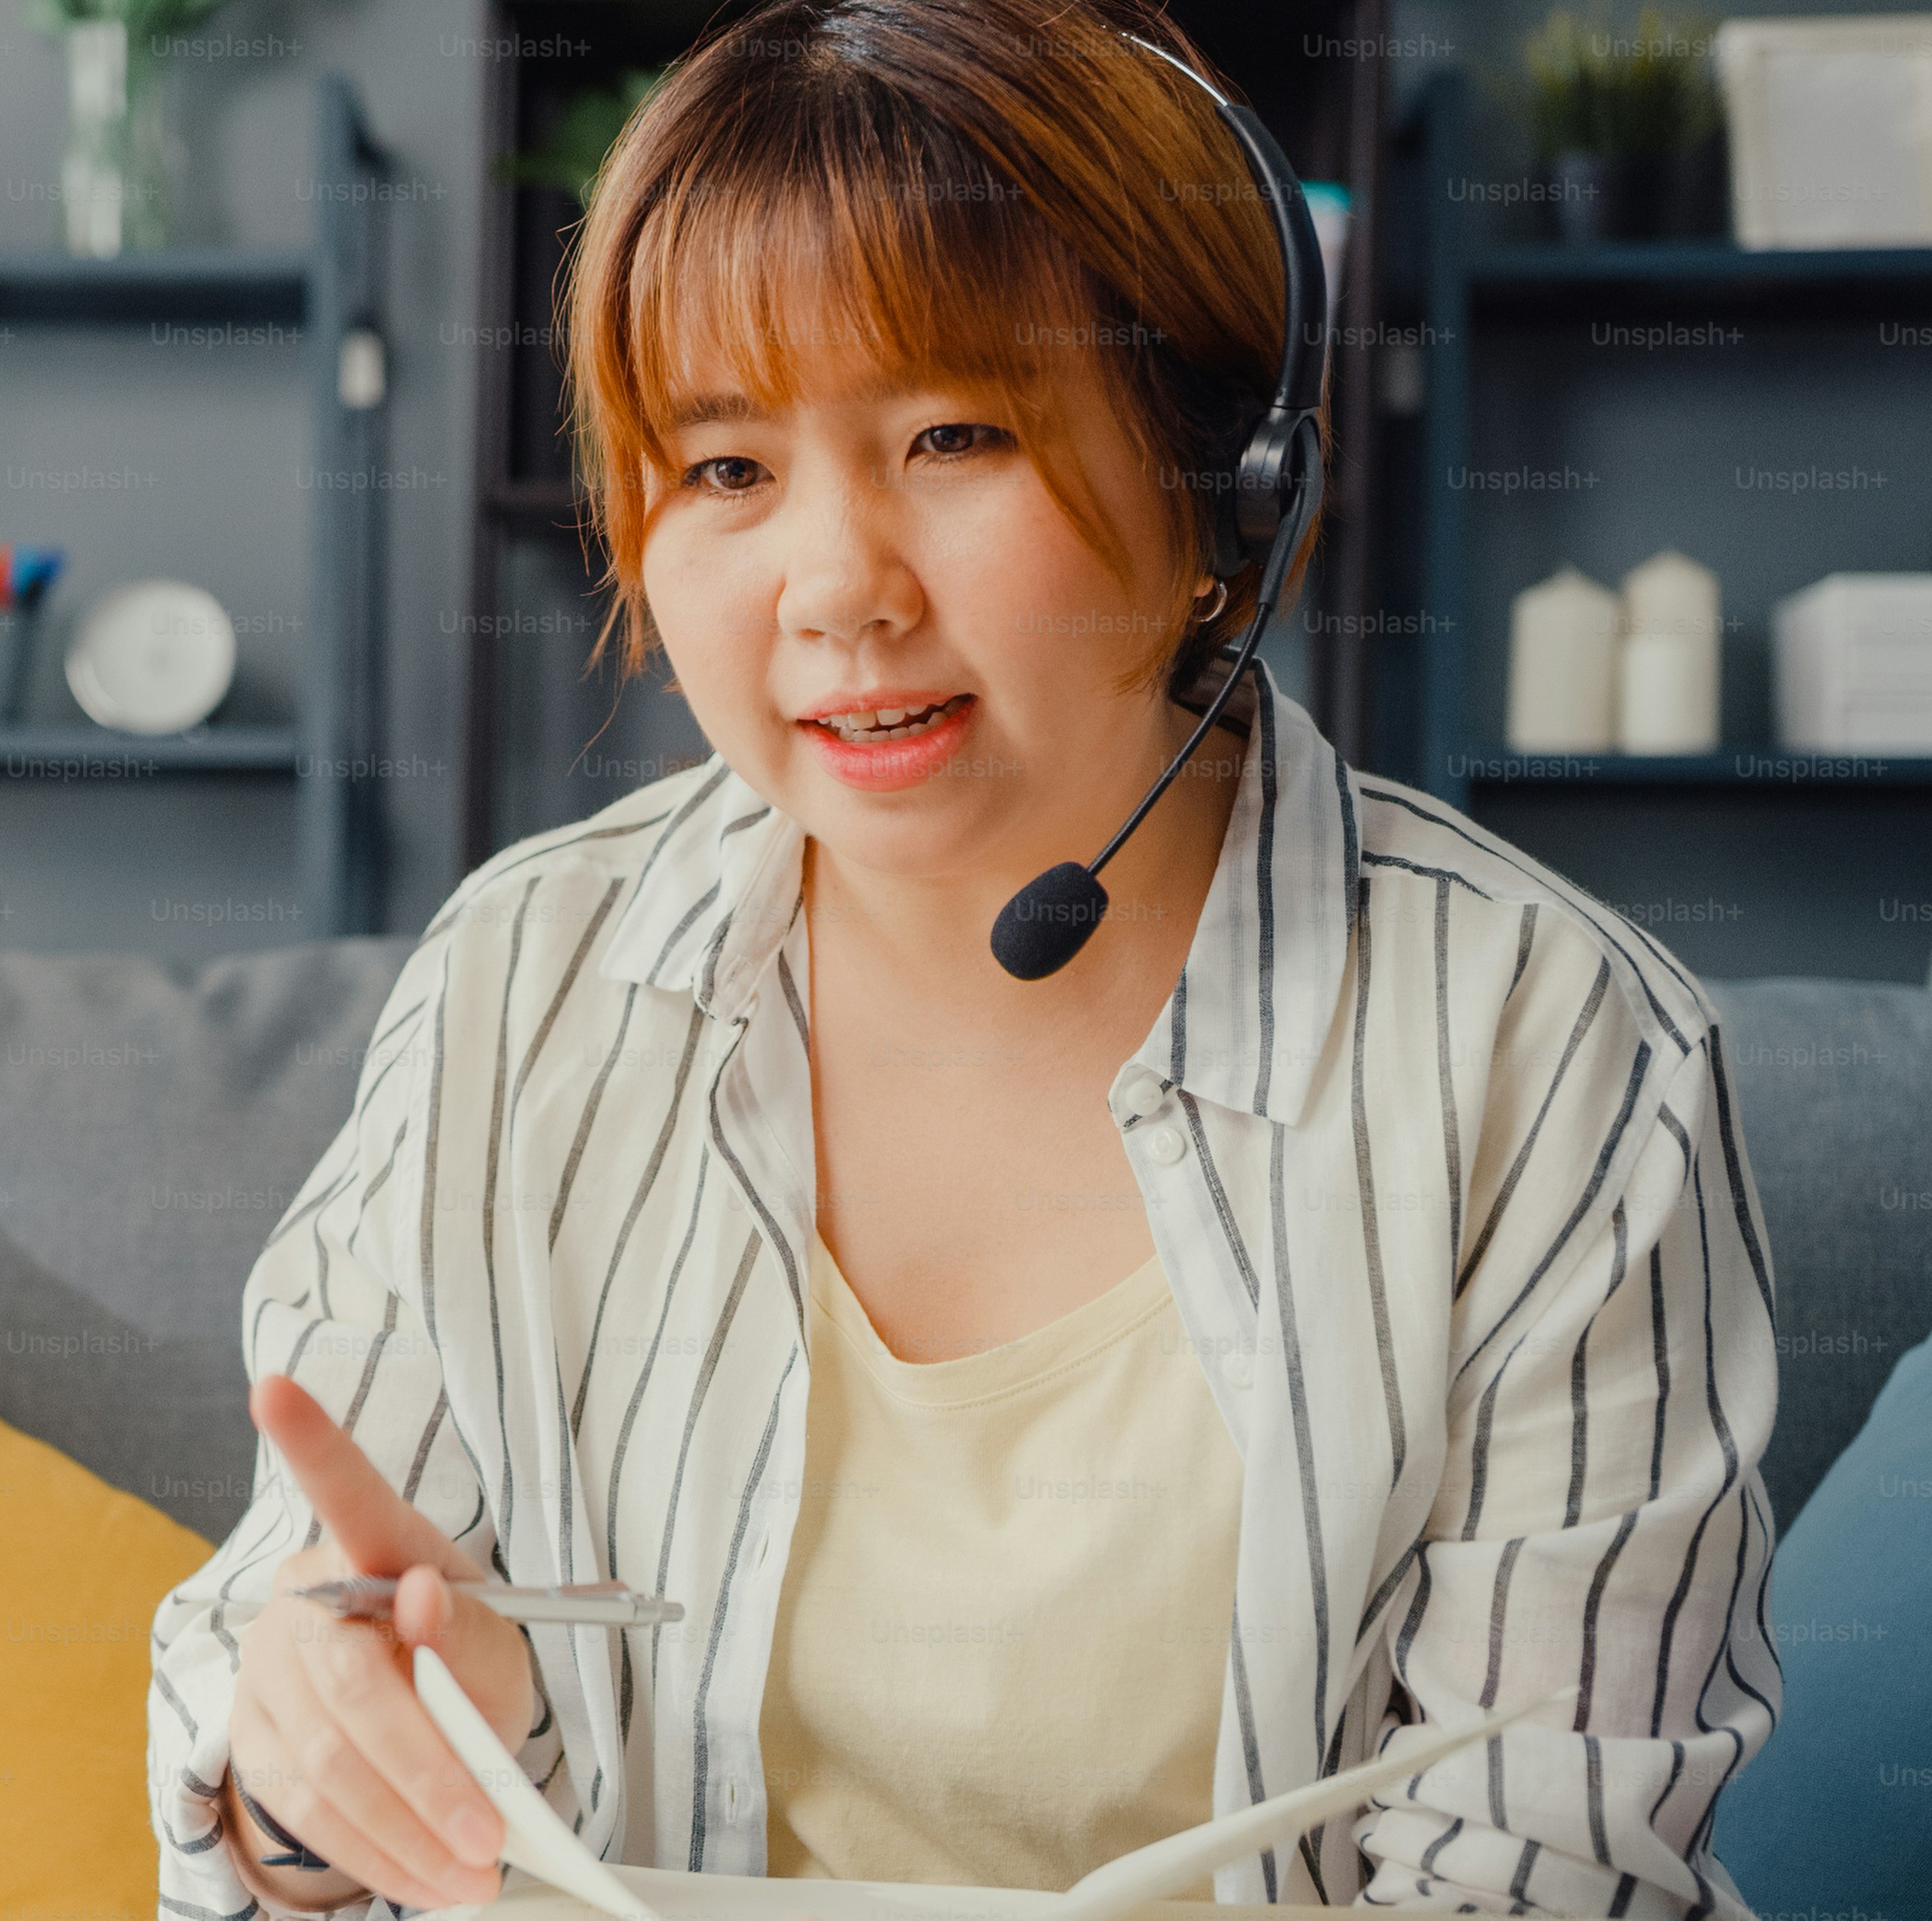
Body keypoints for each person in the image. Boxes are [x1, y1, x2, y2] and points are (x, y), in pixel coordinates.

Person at [149, 1, 1780, 1911]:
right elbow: (297, 1692)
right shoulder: (524, 986)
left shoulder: (1550, 1057)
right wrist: (328, 1782)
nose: (838, 588)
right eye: (727, 469)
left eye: (953, 435)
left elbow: (1546, 1868)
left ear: (1226, 493)